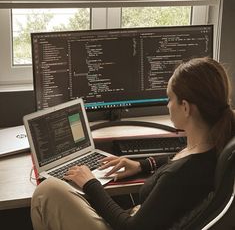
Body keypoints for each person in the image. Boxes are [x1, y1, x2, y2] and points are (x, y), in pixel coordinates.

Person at [31, 57, 235, 230]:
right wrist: (140, 165)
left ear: (186, 107)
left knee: (47, 191)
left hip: (129, 224)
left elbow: (131, 227)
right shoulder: (217, 144)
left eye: (169, 98)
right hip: (145, 217)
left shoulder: (178, 176)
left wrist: (90, 183)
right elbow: (179, 159)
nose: (167, 104)